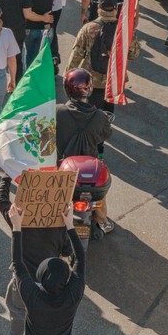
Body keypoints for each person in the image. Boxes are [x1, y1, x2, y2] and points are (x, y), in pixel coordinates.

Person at [7, 204, 84, 335]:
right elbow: (80, 259)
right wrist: (69, 225)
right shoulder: (73, 295)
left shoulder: (34, 297)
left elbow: (17, 263)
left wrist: (17, 227)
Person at [0, 174, 74, 335]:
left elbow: (1, 199)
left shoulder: (19, 220)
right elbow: (68, 251)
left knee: (18, 311)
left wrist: (6, 178)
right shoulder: (59, 223)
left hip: (23, 281)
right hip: (47, 282)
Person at [56, 68, 114, 234]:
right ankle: (103, 222)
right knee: (100, 194)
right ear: (89, 90)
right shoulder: (100, 117)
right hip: (90, 171)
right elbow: (105, 135)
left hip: (63, 166)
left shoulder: (57, 111)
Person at [67, 0, 139, 115]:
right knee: (107, 113)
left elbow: (76, 54)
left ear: (99, 7)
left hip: (90, 79)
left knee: (88, 112)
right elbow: (133, 54)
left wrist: (68, 75)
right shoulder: (124, 30)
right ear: (116, 8)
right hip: (113, 80)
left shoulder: (88, 28)